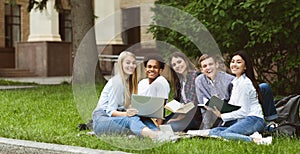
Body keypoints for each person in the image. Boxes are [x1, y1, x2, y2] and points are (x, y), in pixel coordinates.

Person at [92, 51, 163, 140]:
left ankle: (159, 132)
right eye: (128, 63)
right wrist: (126, 113)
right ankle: (154, 136)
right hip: (102, 120)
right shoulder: (117, 83)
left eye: (133, 63)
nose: (131, 65)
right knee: (130, 119)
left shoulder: (129, 82)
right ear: (121, 64)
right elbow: (110, 111)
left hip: (115, 118)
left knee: (141, 117)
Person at [195, 54, 278, 129]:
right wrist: (206, 126)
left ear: (216, 65)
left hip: (233, 112)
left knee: (263, 87)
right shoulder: (199, 81)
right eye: (205, 66)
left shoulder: (230, 80)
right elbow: (202, 103)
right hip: (214, 116)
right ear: (201, 70)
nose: (208, 68)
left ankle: (271, 121)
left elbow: (237, 102)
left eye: (210, 64)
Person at [207, 50, 272, 144]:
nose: (234, 64)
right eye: (232, 61)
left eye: (238, 62)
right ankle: (252, 134)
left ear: (245, 67)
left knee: (225, 134)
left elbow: (243, 112)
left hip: (253, 119)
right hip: (241, 119)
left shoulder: (245, 84)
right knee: (213, 131)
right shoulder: (235, 82)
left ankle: (258, 141)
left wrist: (221, 116)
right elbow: (234, 106)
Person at [164, 51, 202, 132]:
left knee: (171, 126)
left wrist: (178, 118)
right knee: (163, 121)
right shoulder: (180, 80)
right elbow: (177, 100)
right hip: (182, 113)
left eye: (179, 62)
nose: (177, 66)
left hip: (194, 117)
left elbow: (191, 104)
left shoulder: (195, 76)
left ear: (185, 61)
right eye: (174, 65)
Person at [138, 54, 170, 126]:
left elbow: (161, 107)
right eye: (149, 67)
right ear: (145, 69)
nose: (151, 69)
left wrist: (158, 127)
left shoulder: (161, 82)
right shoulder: (142, 82)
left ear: (160, 70)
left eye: (155, 67)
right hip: (139, 115)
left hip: (152, 120)